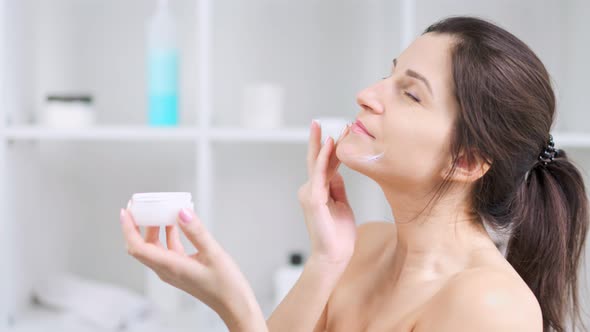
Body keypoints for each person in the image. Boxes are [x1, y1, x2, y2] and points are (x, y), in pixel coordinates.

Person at [120, 16, 589, 332]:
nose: (367, 94)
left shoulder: (489, 308)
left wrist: (234, 306)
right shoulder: (361, 247)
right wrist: (325, 261)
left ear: (465, 161)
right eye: (390, 75)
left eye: (411, 94)